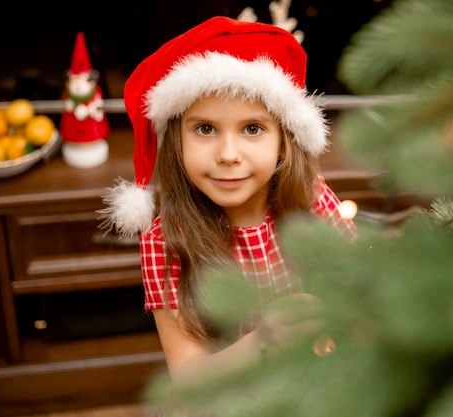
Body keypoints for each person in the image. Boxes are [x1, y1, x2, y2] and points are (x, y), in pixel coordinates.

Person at [99, 15, 356, 384]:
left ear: (283, 141)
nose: (228, 154)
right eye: (205, 129)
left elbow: (357, 280)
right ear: (177, 141)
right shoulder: (165, 240)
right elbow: (188, 376)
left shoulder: (310, 197)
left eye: (252, 129)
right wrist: (265, 340)